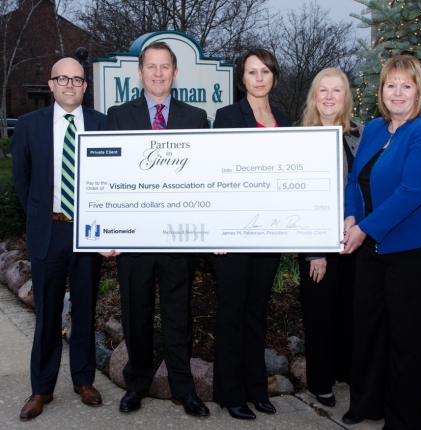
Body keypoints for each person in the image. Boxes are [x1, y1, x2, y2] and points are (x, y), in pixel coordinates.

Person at [340, 55, 421, 430]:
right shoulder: (373, 129)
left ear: (418, 91)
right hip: (374, 247)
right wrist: (350, 217)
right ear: (382, 91)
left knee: (408, 341)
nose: (398, 92)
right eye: (392, 85)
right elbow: (354, 181)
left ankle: (404, 421)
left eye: (407, 85)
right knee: (369, 330)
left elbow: (412, 192)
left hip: (418, 252)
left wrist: (363, 229)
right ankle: (368, 404)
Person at [104, 41, 210, 417]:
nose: (159, 73)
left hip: (178, 235)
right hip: (134, 237)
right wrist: (105, 232)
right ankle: (137, 384)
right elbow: (107, 179)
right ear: (140, 72)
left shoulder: (196, 118)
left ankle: (184, 387)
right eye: (151, 66)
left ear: (175, 72)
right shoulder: (117, 116)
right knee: (136, 313)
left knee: (179, 314)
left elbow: (203, 179)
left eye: (165, 66)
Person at [11, 58, 107, 420]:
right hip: (48, 230)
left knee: (85, 308)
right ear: (51, 84)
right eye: (63, 78)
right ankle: (42, 389)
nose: (70, 84)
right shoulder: (29, 125)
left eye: (77, 79)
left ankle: (83, 379)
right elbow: (22, 178)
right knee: (47, 313)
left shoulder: (101, 124)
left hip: (88, 231)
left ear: (86, 86)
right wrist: (39, 215)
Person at [212, 48, 290, 420]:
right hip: (232, 233)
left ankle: (257, 389)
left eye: (265, 71)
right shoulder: (227, 117)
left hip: (270, 232)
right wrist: (218, 232)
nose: (259, 78)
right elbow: (214, 176)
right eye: (251, 72)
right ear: (241, 79)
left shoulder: (284, 118)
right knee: (231, 313)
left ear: (273, 76)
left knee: (257, 313)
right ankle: (231, 394)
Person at [298, 68, 363, 408]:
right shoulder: (301, 137)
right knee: (320, 315)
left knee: (349, 313)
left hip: (355, 241)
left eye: (336, 91)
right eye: (322, 90)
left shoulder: (361, 134)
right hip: (318, 245)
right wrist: (315, 252)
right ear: (314, 96)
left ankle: (345, 370)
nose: (328, 96)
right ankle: (321, 382)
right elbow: (299, 198)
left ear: (345, 97)